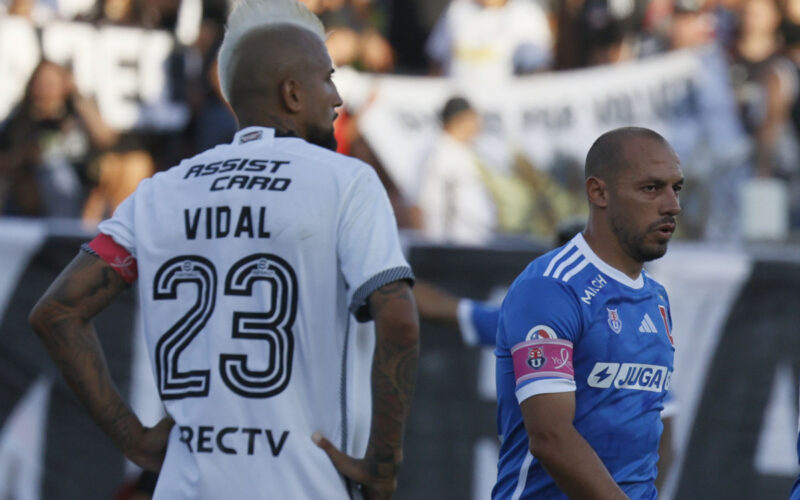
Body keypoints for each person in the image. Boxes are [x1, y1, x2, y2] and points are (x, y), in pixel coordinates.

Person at [28, 1, 420, 499]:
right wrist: (383, 465)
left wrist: (133, 438)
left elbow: (56, 311)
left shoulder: (159, 191)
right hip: (302, 486)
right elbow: (400, 321)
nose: (338, 97)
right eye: (328, 79)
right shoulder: (346, 180)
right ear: (292, 93)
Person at [492, 127, 683, 499]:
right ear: (598, 192)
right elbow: (550, 437)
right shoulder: (551, 288)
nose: (672, 205)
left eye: (677, 188)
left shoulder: (655, 297)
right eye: (651, 188)